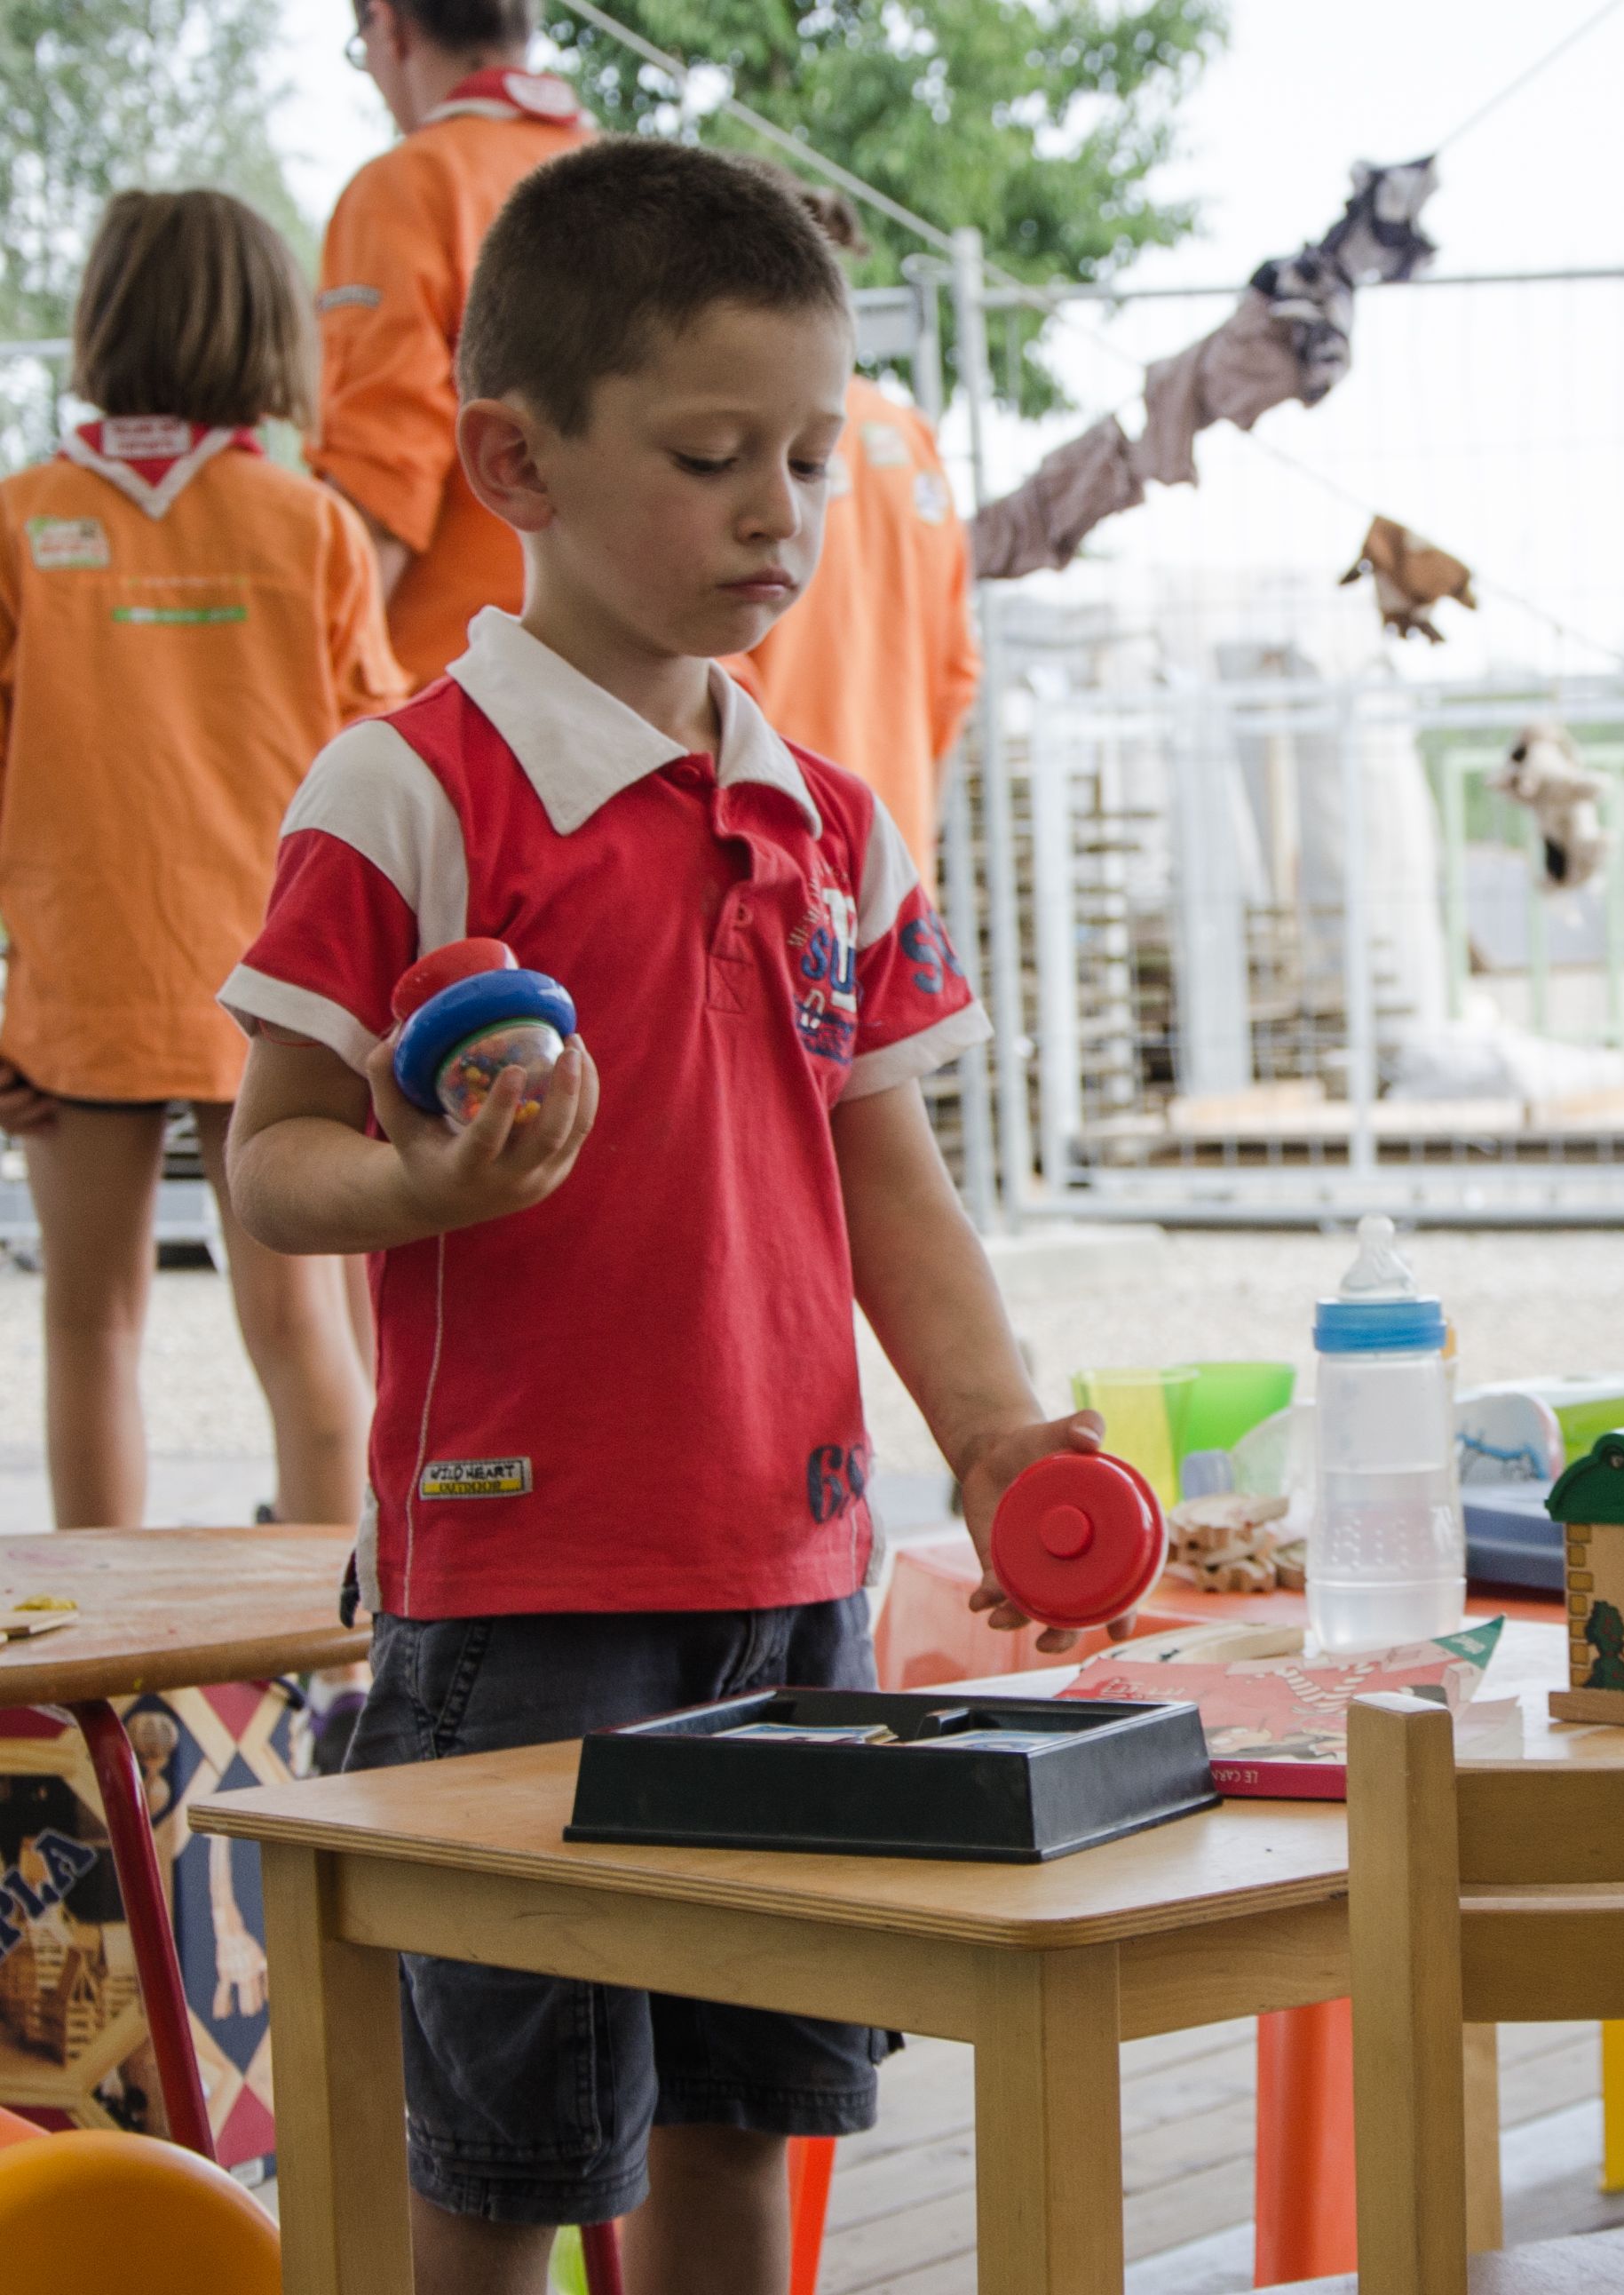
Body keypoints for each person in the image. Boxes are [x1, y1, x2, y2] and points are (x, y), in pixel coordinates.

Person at [222, 140, 1095, 2294]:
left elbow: (886, 1175)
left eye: (809, 454)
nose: (778, 513)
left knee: (742, 2136)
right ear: (509, 456)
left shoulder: (829, 820)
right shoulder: (408, 794)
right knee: (507, 2171)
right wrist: (423, 1181)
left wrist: (992, 1442)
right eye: (713, 457)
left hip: (791, 1576)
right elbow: (268, 1157)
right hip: (521, 1592)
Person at [0, 189, 396, 1528]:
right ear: (272, 329)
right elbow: (386, 775)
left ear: (100, 322)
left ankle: (101, 1676)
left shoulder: (21, 520)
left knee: (90, 1328)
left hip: (76, 998)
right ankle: (336, 1643)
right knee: (301, 1332)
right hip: (283, 1002)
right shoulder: (314, 528)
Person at [313, 0, 589, 687]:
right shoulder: (652, 185)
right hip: (676, 702)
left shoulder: (408, 187)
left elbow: (380, 486)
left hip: (476, 707)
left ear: (390, 24)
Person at [727, 186, 979, 870]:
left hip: (773, 875)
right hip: (889, 869)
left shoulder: (730, 449)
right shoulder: (911, 438)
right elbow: (956, 678)